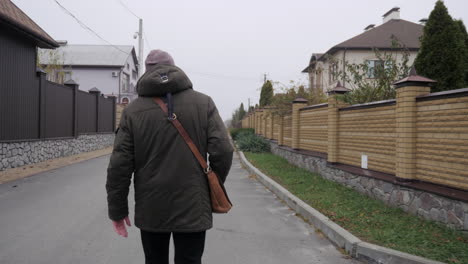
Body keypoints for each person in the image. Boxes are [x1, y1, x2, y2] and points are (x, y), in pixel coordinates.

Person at [106, 49, 233, 264]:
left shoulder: (133, 111)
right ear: (174, 67)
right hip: (193, 202)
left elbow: (120, 165)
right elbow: (224, 149)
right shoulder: (204, 103)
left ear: (146, 72)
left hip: (151, 206)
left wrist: (117, 211)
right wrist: (212, 181)